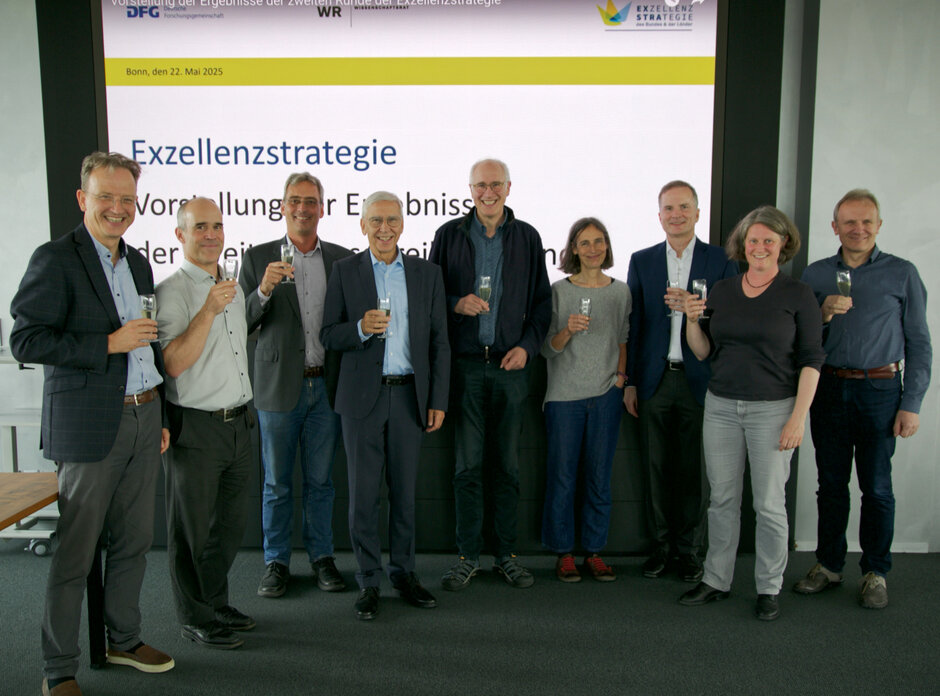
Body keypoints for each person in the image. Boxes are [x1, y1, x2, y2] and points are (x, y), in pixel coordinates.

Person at [10, 152, 175, 696]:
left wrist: (161, 412)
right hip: (88, 427)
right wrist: (106, 343)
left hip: (144, 415)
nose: (117, 208)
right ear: (83, 199)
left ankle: (123, 639)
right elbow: (26, 340)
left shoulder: (140, 262)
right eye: (106, 196)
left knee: (134, 542)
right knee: (77, 551)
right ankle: (59, 668)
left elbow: (149, 348)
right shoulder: (55, 259)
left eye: (127, 199)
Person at [677, 206, 824, 621]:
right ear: (742, 245)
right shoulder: (722, 291)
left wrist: (798, 418)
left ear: (783, 245)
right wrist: (690, 322)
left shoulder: (797, 294)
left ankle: (768, 587)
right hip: (721, 406)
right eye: (753, 240)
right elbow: (706, 352)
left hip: (774, 411)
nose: (759, 247)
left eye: (768, 241)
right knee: (721, 500)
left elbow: (812, 360)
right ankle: (716, 579)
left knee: (769, 505)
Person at [794, 189, 931, 609]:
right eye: (849, 222)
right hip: (829, 389)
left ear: (879, 225)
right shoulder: (814, 275)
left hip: (881, 390)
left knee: (877, 486)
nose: (858, 229)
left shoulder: (902, 273)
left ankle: (875, 571)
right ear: (834, 227)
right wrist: (823, 313)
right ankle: (830, 565)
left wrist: (912, 403)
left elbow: (920, 343)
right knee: (831, 485)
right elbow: (799, 339)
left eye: (866, 221)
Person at [321, 191, 450, 620]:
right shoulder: (344, 271)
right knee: (362, 498)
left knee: (405, 496)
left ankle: (404, 573)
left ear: (403, 224)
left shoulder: (426, 273)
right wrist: (359, 328)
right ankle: (369, 580)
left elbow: (439, 342)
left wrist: (437, 399)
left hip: (409, 395)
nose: (384, 228)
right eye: (375, 219)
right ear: (362, 225)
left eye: (392, 219)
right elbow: (328, 335)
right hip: (361, 398)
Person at [429, 158, 551, 591]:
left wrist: (527, 348)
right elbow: (429, 297)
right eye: (480, 185)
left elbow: (541, 306)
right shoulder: (448, 235)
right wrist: (453, 302)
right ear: (469, 188)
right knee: (467, 468)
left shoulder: (528, 237)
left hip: (509, 369)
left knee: (508, 469)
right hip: (464, 369)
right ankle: (467, 556)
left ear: (509, 187)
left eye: (495, 184)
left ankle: (505, 555)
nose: (488, 192)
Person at [239, 173, 352, 598]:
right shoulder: (256, 258)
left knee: (322, 481)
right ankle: (277, 562)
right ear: (282, 206)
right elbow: (243, 322)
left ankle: (322, 558)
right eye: (294, 201)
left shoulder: (341, 259)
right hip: (276, 388)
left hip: (326, 387)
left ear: (322, 207)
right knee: (276, 483)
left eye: (310, 201)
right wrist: (265, 289)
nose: (302, 208)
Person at [625, 180, 738, 582]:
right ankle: (661, 548)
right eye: (669, 209)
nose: (676, 215)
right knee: (655, 470)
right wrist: (632, 383)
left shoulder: (721, 259)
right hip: (655, 381)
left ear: (697, 213)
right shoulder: (642, 260)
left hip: (700, 380)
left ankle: (690, 552)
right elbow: (635, 326)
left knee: (694, 472)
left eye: (684, 207)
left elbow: (728, 323)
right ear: (659, 216)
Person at [156, 197, 255, 649]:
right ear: (180, 235)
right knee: (191, 531)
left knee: (229, 528)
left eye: (217, 225)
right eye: (200, 227)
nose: (211, 234)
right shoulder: (172, 292)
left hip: (239, 425)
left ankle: (214, 601)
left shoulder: (230, 286)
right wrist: (209, 310)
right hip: (196, 428)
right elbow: (173, 364)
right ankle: (194, 616)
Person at [541, 218, 630, 582]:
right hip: (564, 398)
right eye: (584, 243)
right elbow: (547, 349)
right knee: (562, 478)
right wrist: (567, 331)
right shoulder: (558, 291)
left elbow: (624, 339)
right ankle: (564, 553)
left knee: (598, 478)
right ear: (573, 249)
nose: (593, 248)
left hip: (606, 395)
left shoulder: (621, 291)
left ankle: (593, 551)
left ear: (606, 247)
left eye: (599, 242)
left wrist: (620, 381)